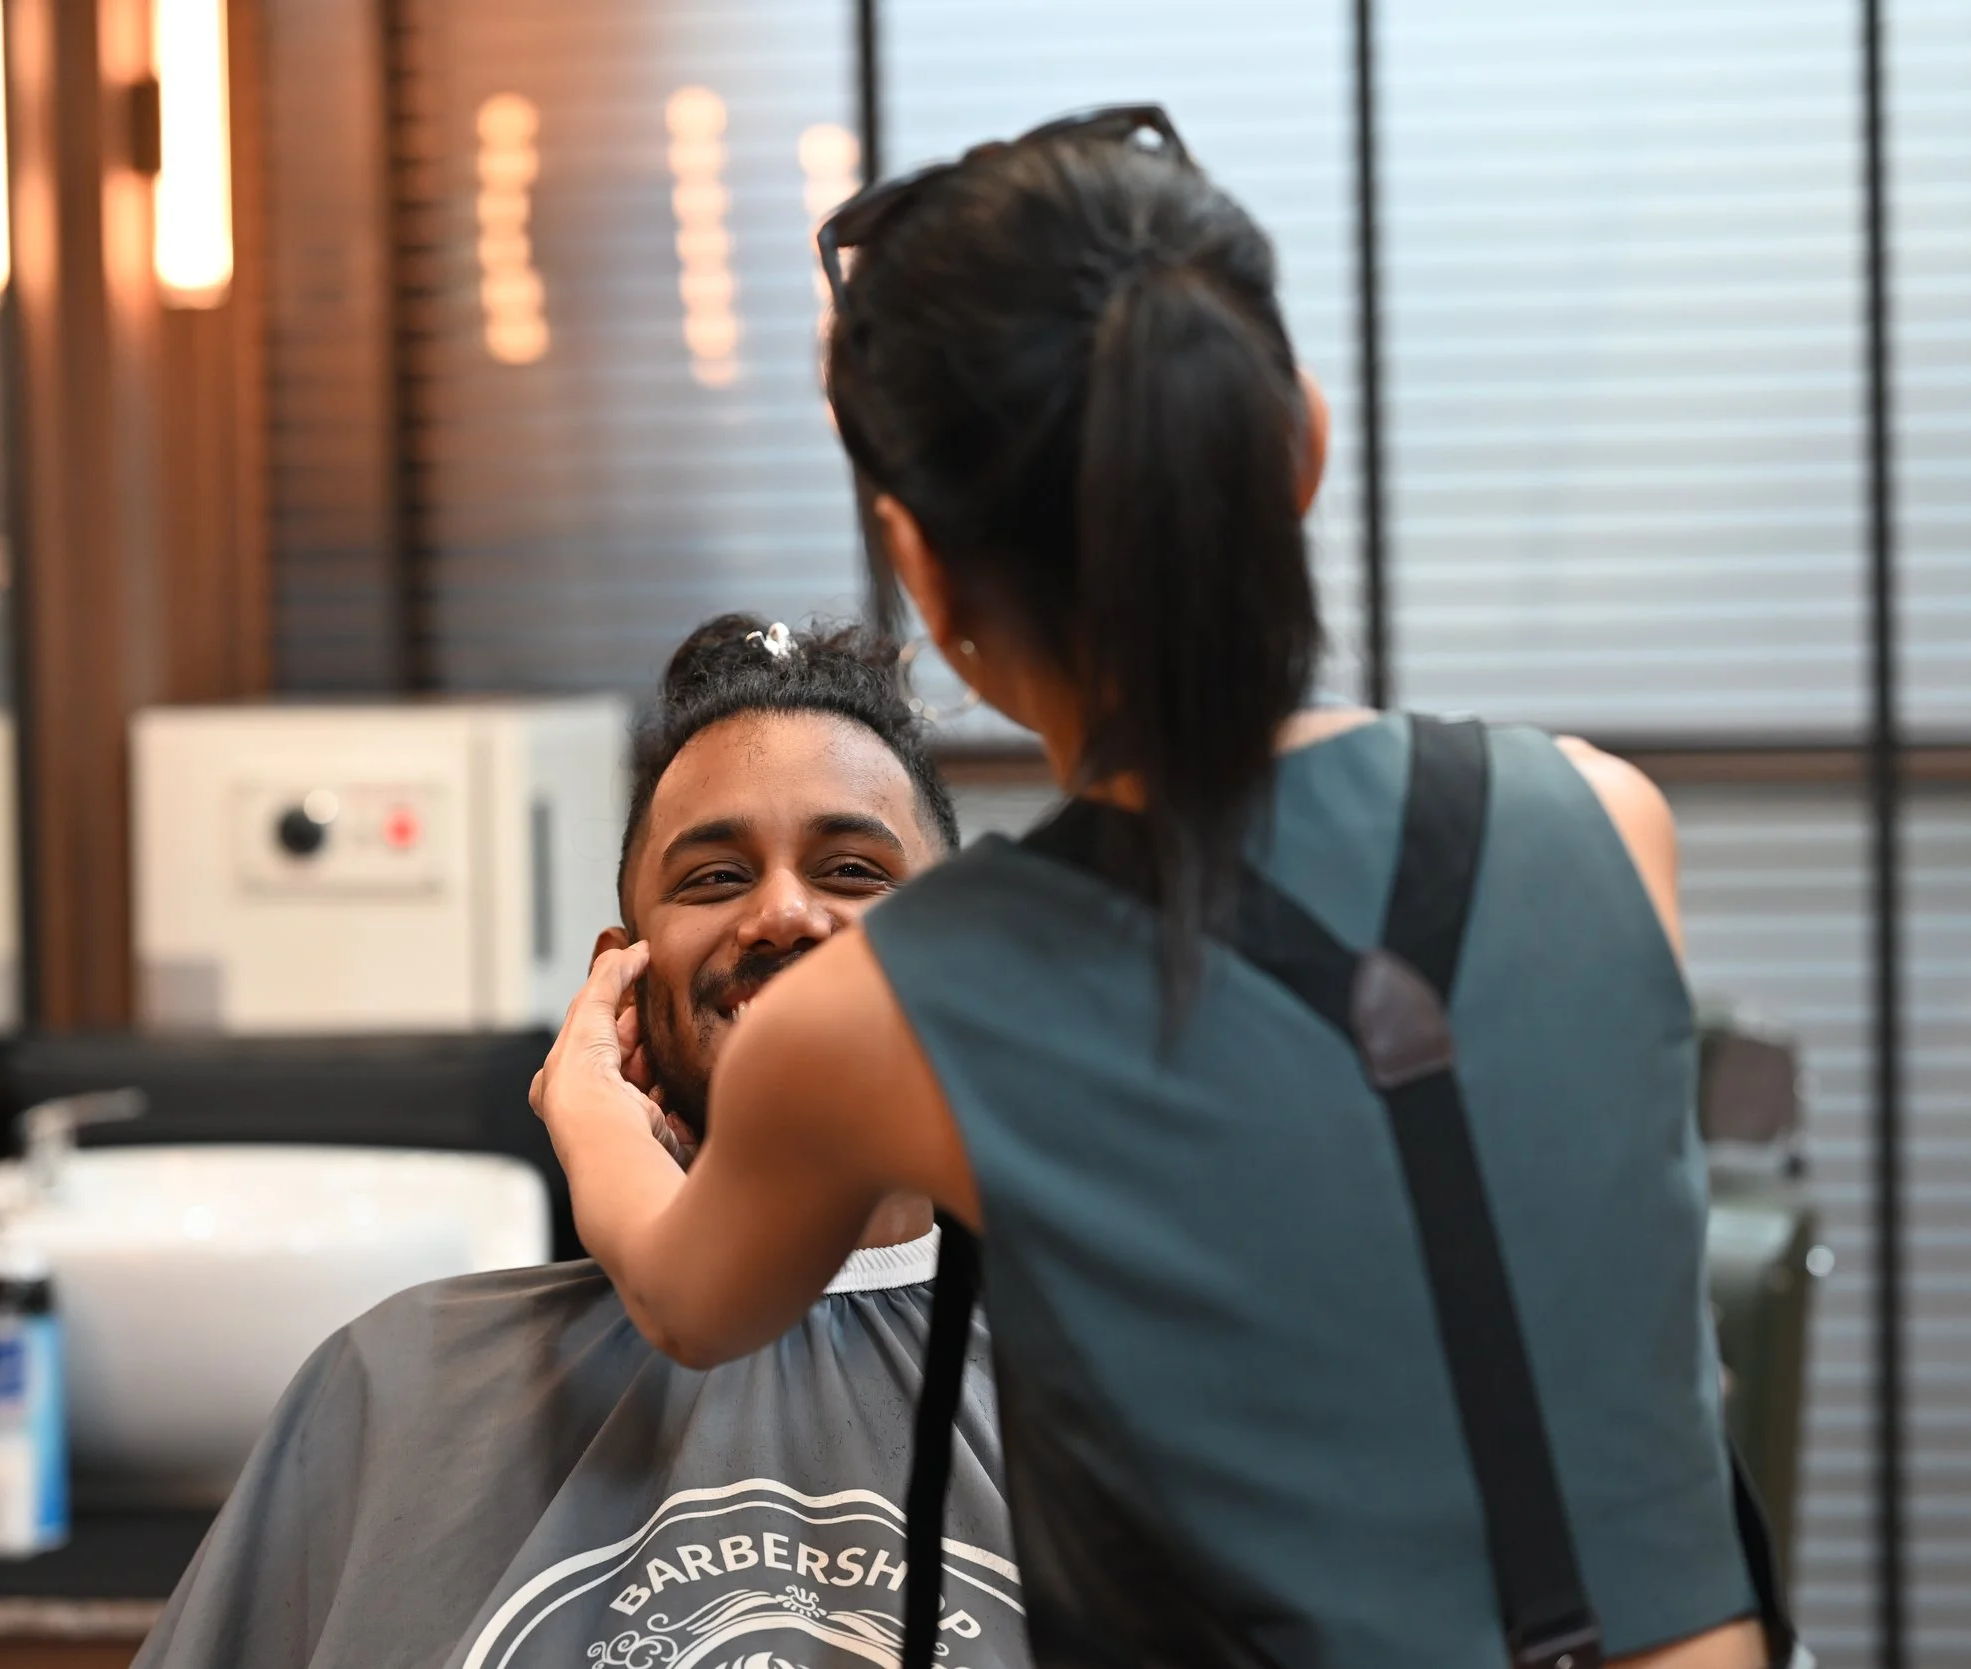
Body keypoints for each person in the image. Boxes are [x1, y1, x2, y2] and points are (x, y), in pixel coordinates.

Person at [531, 109, 1788, 1668]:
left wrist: (587, 1092)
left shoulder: (884, 1017)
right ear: (1304, 446)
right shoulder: (1606, 821)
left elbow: (687, 1298)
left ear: (920, 568)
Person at [135, 617, 1035, 1669]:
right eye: (711, 879)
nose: (785, 913)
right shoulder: (396, 1387)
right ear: (622, 979)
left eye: (851, 870)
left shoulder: (1127, 1389)